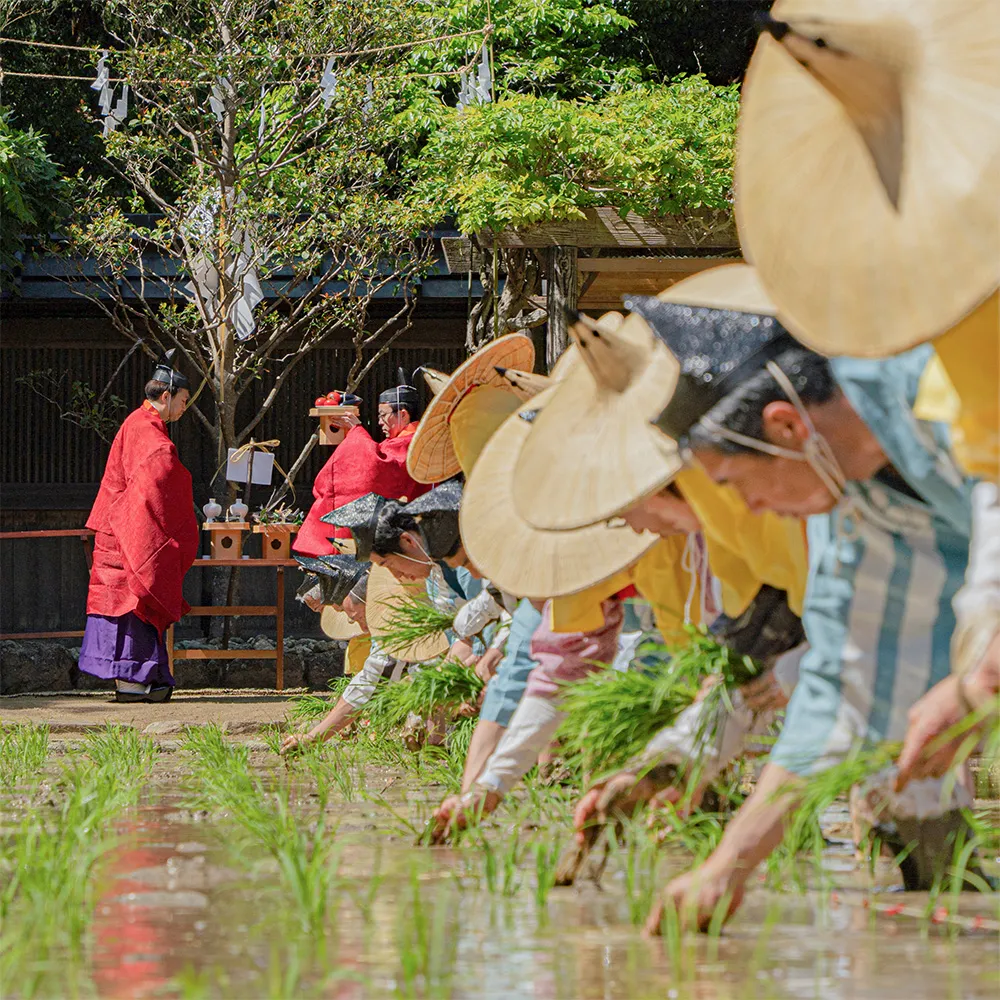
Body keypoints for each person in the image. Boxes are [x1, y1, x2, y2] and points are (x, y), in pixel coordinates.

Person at [625, 264, 978, 930]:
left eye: (734, 481)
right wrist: (729, 865)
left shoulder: (945, 392)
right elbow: (840, 679)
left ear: (786, 427)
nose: (747, 508)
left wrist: (977, 680)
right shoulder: (851, 495)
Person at [79, 349, 199, 703]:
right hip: (129, 532)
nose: (183, 408)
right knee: (134, 601)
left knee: (131, 603)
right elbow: (159, 474)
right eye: (183, 401)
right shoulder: (148, 433)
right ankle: (132, 682)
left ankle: (144, 680)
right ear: (166, 396)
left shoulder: (138, 423)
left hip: (119, 526)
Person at [293, 373, 429, 559]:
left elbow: (377, 469)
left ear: (403, 415)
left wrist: (357, 434)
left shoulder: (411, 442)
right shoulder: (405, 441)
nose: (380, 422)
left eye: (383, 415)